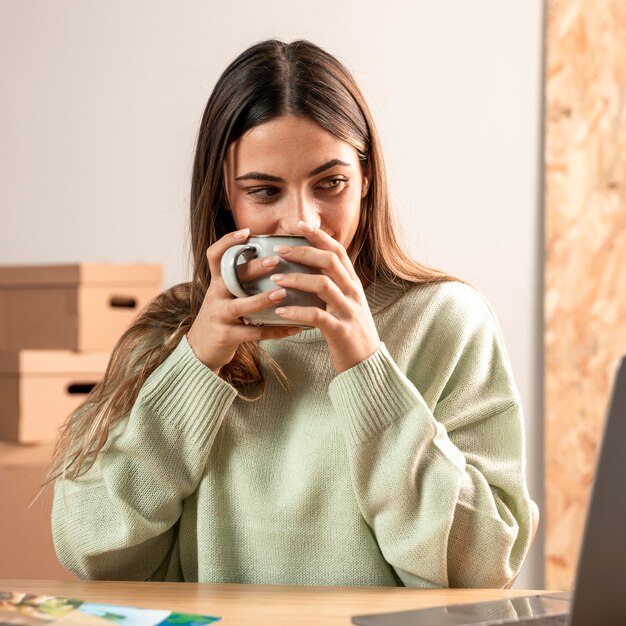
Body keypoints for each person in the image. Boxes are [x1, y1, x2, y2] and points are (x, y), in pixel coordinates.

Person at [50, 39, 533, 588]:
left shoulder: (446, 319)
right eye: (264, 191)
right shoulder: (174, 329)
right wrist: (195, 363)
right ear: (224, 198)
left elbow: (483, 569)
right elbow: (91, 549)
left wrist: (367, 366)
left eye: (331, 184)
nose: (303, 221)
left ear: (366, 179)